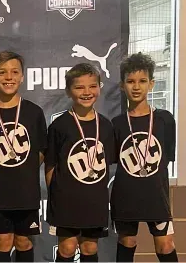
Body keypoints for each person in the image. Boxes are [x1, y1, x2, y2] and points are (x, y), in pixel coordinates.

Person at [0, 51, 47, 262]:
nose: (8, 77)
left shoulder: (34, 113)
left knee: (24, 241)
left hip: (26, 192)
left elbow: (40, 151)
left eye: (14, 72)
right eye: (2, 72)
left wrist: (25, 171)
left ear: (22, 77)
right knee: (2, 241)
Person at [44, 63, 115, 262]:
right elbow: (50, 165)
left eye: (92, 86)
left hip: (95, 200)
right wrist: (57, 195)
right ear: (68, 91)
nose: (86, 92)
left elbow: (106, 165)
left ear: (99, 88)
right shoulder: (60, 125)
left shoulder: (106, 125)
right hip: (66, 201)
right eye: (79, 87)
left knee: (90, 248)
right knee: (67, 248)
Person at [112, 53, 178, 262]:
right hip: (125, 197)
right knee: (127, 242)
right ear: (122, 86)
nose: (136, 87)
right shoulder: (116, 123)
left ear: (151, 84)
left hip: (156, 197)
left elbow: (166, 158)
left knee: (165, 245)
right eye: (130, 82)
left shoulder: (164, 119)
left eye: (142, 81)